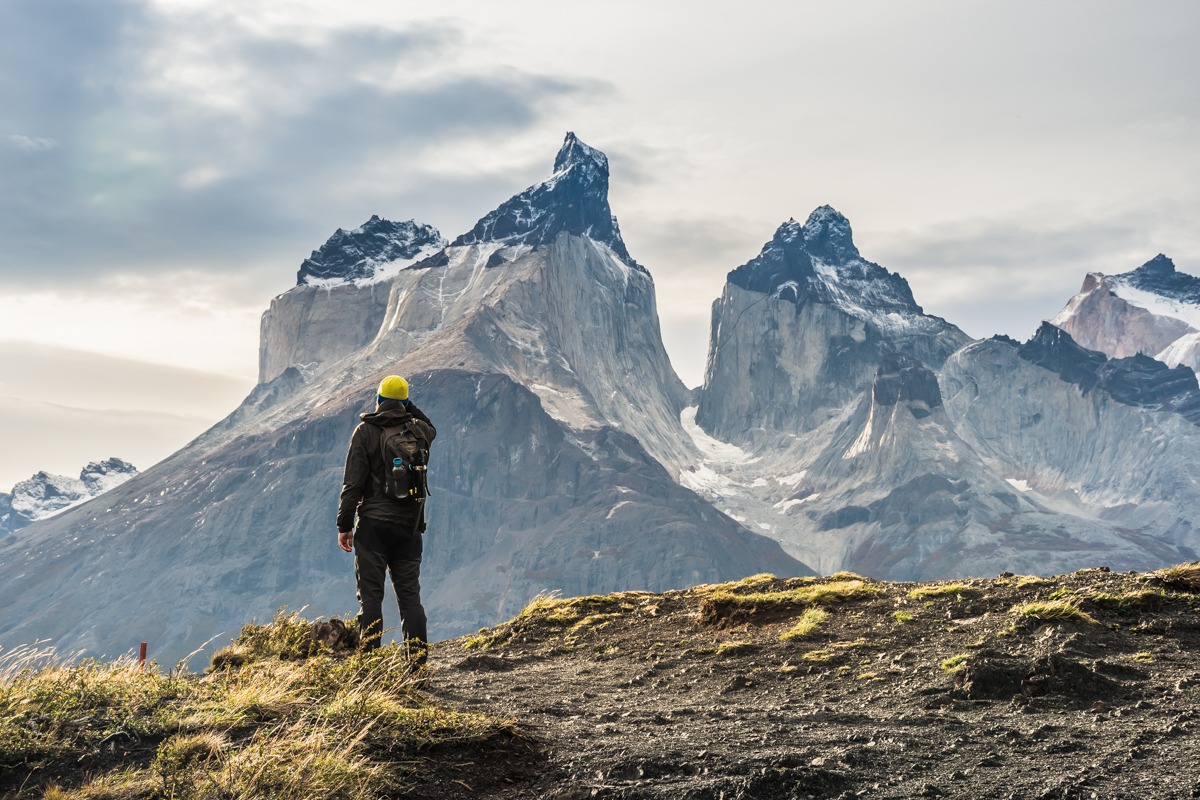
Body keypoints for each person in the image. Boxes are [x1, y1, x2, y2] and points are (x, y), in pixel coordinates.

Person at [336, 375, 436, 666]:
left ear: (378, 400)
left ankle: (368, 667)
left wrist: (345, 525)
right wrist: (406, 405)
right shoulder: (419, 432)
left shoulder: (365, 432)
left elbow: (352, 484)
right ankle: (416, 668)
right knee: (410, 598)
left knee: (371, 599)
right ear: (405, 402)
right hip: (409, 528)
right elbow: (431, 425)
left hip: (373, 528)